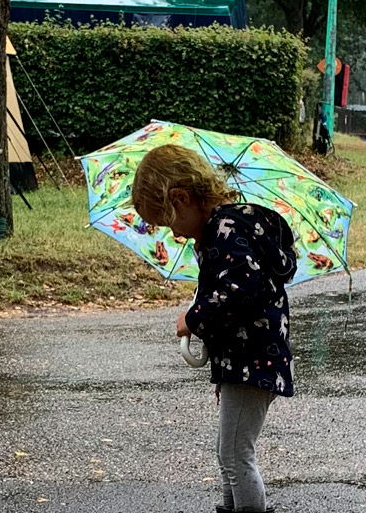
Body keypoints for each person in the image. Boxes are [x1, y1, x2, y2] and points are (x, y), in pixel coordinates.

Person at [131, 144, 296, 513]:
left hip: (254, 359)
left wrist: (192, 318)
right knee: (228, 455)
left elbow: (239, 290)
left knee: (237, 455)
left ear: (182, 197)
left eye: (167, 220)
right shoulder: (221, 233)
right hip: (245, 359)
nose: (172, 234)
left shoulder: (227, 231)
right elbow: (231, 296)